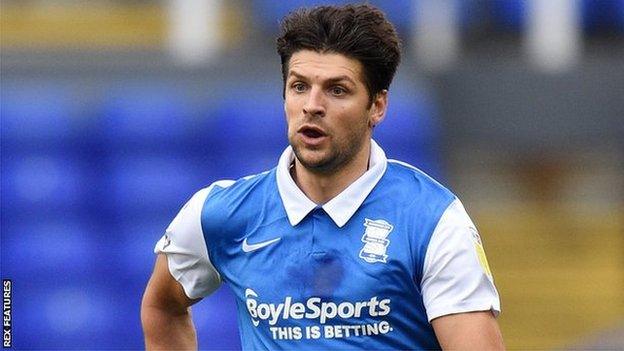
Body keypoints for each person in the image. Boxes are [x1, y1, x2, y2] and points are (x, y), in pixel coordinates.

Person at [141, 4, 504, 350]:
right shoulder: (221, 213)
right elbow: (162, 307)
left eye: (337, 90)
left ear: (377, 106)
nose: (312, 105)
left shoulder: (432, 220)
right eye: (300, 86)